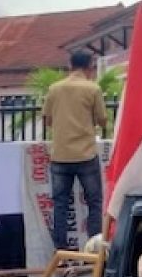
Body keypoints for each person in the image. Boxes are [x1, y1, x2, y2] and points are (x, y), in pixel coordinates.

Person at [42, 50, 108, 250]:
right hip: (85, 153)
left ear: (70, 66)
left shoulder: (54, 89)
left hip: (60, 155)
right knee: (94, 202)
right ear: (89, 67)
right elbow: (102, 119)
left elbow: (47, 120)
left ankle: (60, 249)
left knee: (60, 204)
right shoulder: (93, 89)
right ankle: (94, 248)